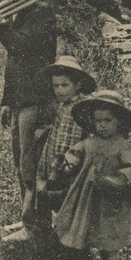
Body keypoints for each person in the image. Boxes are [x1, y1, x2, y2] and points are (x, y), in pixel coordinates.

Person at [0, 0, 62, 243]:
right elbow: (13, 64)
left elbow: (21, 48)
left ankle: (36, 226)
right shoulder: (19, 12)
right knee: (20, 160)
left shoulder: (41, 13)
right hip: (21, 99)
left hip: (37, 100)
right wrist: (6, 100)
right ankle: (29, 218)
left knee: (33, 164)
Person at [53, 89, 131, 260]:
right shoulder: (89, 143)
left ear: (119, 122)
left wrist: (117, 181)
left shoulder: (123, 146)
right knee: (85, 223)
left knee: (109, 229)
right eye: (98, 121)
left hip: (111, 198)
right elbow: (75, 153)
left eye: (107, 120)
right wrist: (69, 163)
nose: (102, 126)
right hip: (87, 194)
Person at [35, 55, 97, 222]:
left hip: (65, 169)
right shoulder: (63, 106)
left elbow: (67, 145)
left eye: (64, 85)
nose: (59, 90)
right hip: (58, 167)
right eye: (56, 86)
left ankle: (66, 240)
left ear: (77, 86)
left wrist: (57, 170)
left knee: (66, 203)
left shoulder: (77, 110)